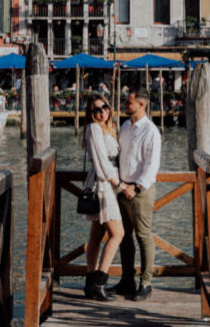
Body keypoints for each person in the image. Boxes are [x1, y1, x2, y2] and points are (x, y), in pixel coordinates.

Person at [113, 89, 161, 301]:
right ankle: (127, 279)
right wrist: (121, 185)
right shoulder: (125, 126)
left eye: (129, 101)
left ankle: (146, 282)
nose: (125, 104)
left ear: (141, 104)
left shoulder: (150, 131)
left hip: (140, 191)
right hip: (122, 188)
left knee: (143, 235)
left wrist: (137, 187)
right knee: (124, 237)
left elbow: (152, 165)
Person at [80, 96, 125, 302]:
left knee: (96, 237)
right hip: (104, 185)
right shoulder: (94, 128)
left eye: (105, 107)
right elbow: (101, 163)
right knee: (117, 234)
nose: (102, 112)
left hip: (107, 183)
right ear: (91, 113)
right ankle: (99, 282)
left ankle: (90, 284)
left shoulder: (108, 128)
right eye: (97, 110)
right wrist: (119, 184)